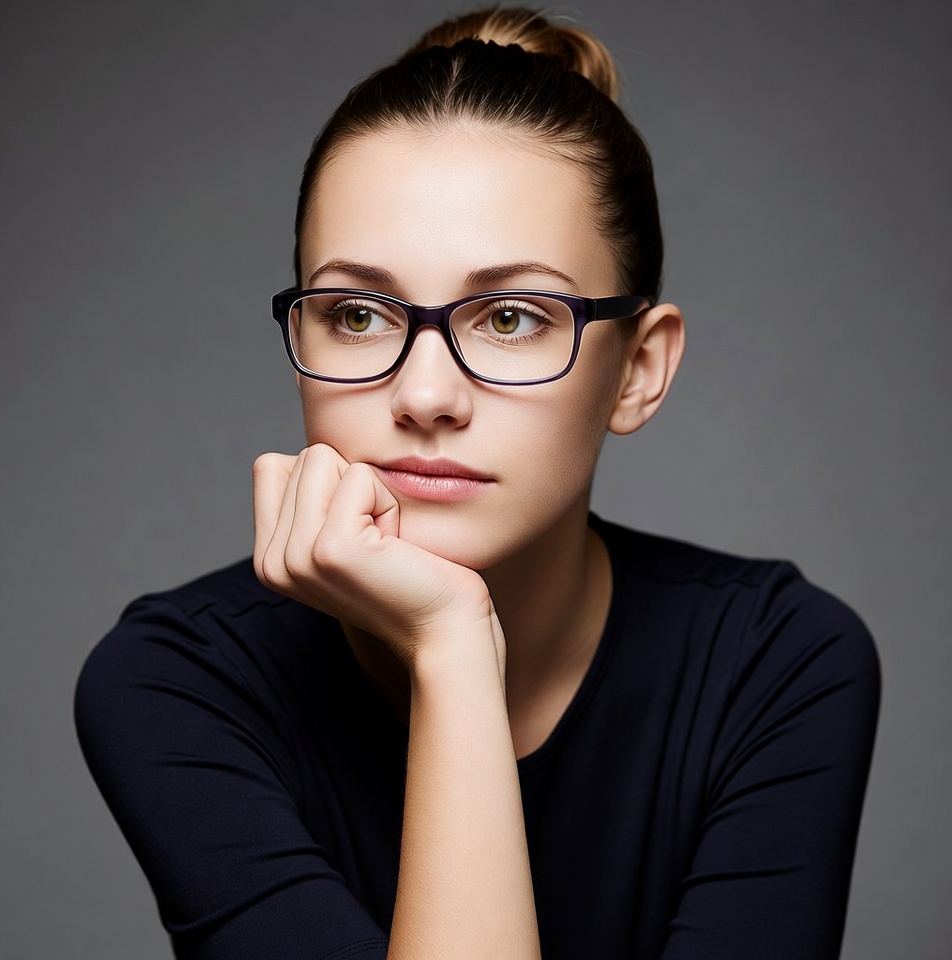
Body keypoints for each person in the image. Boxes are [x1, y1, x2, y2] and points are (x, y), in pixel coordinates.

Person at [75, 7, 880, 959]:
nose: (424, 395)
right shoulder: (178, 680)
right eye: (358, 314)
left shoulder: (775, 662)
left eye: (509, 318)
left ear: (639, 369)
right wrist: (453, 647)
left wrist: (448, 647)